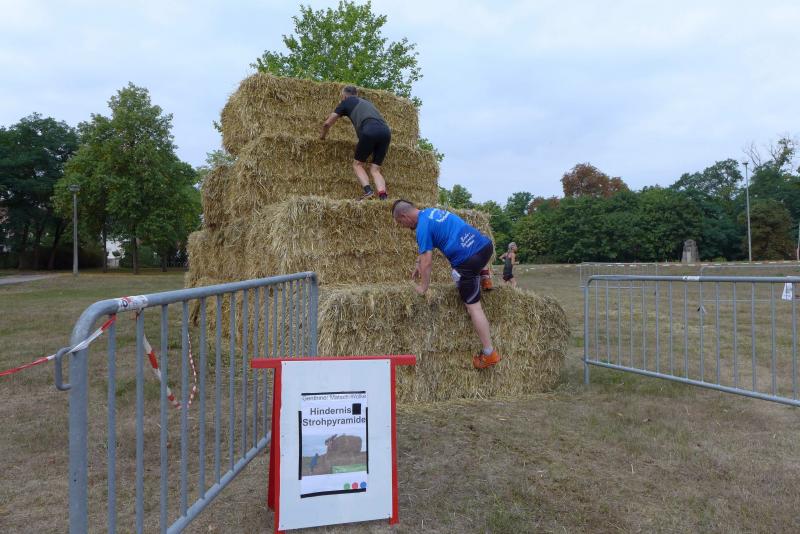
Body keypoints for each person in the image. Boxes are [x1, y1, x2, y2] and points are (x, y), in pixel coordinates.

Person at [392, 199, 501, 369]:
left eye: (400, 223)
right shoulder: (431, 212)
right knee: (475, 250)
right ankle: (485, 275)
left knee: (473, 307)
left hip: (468, 261)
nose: (403, 226)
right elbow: (426, 249)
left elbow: (427, 261)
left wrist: (423, 287)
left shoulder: (422, 227)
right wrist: (417, 263)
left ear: (404, 216)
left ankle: (489, 353)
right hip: (485, 247)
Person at [320, 85, 392, 200]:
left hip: (369, 130)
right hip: (386, 132)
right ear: (356, 94)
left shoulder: (345, 102)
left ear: (344, 96)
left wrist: (322, 137)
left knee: (357, 164)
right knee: (375, 169)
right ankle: (383, 196)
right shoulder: (367, 102)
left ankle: (369, 192)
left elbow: (327, 123)